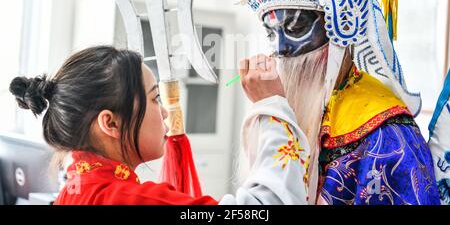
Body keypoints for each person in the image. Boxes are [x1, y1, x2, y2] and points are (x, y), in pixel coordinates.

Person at [213, 0, 440, 204]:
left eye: (295, 29)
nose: (280, 48)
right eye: (271, 33)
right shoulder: (283, 107)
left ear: (334, 32)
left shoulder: (386, 132)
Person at [9, 45, 310, 205]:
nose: (165, 113)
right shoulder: (125, 200)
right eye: (155, 100)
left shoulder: (75, 191)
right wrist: (271, 107)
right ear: (110, 123)